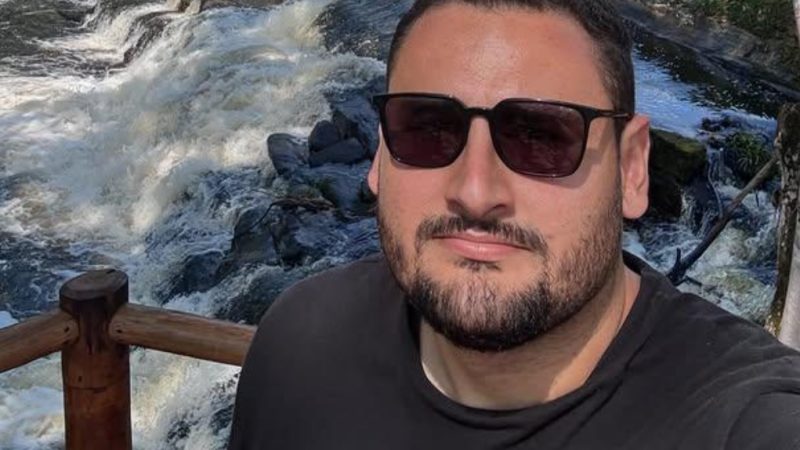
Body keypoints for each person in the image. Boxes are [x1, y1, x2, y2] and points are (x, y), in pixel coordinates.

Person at [227, 1, 800, 448]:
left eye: (541, 136)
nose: (476, 192)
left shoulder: (742, 421)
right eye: (427, 128)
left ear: (631, 169)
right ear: (379, 154)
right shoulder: (300, 346)